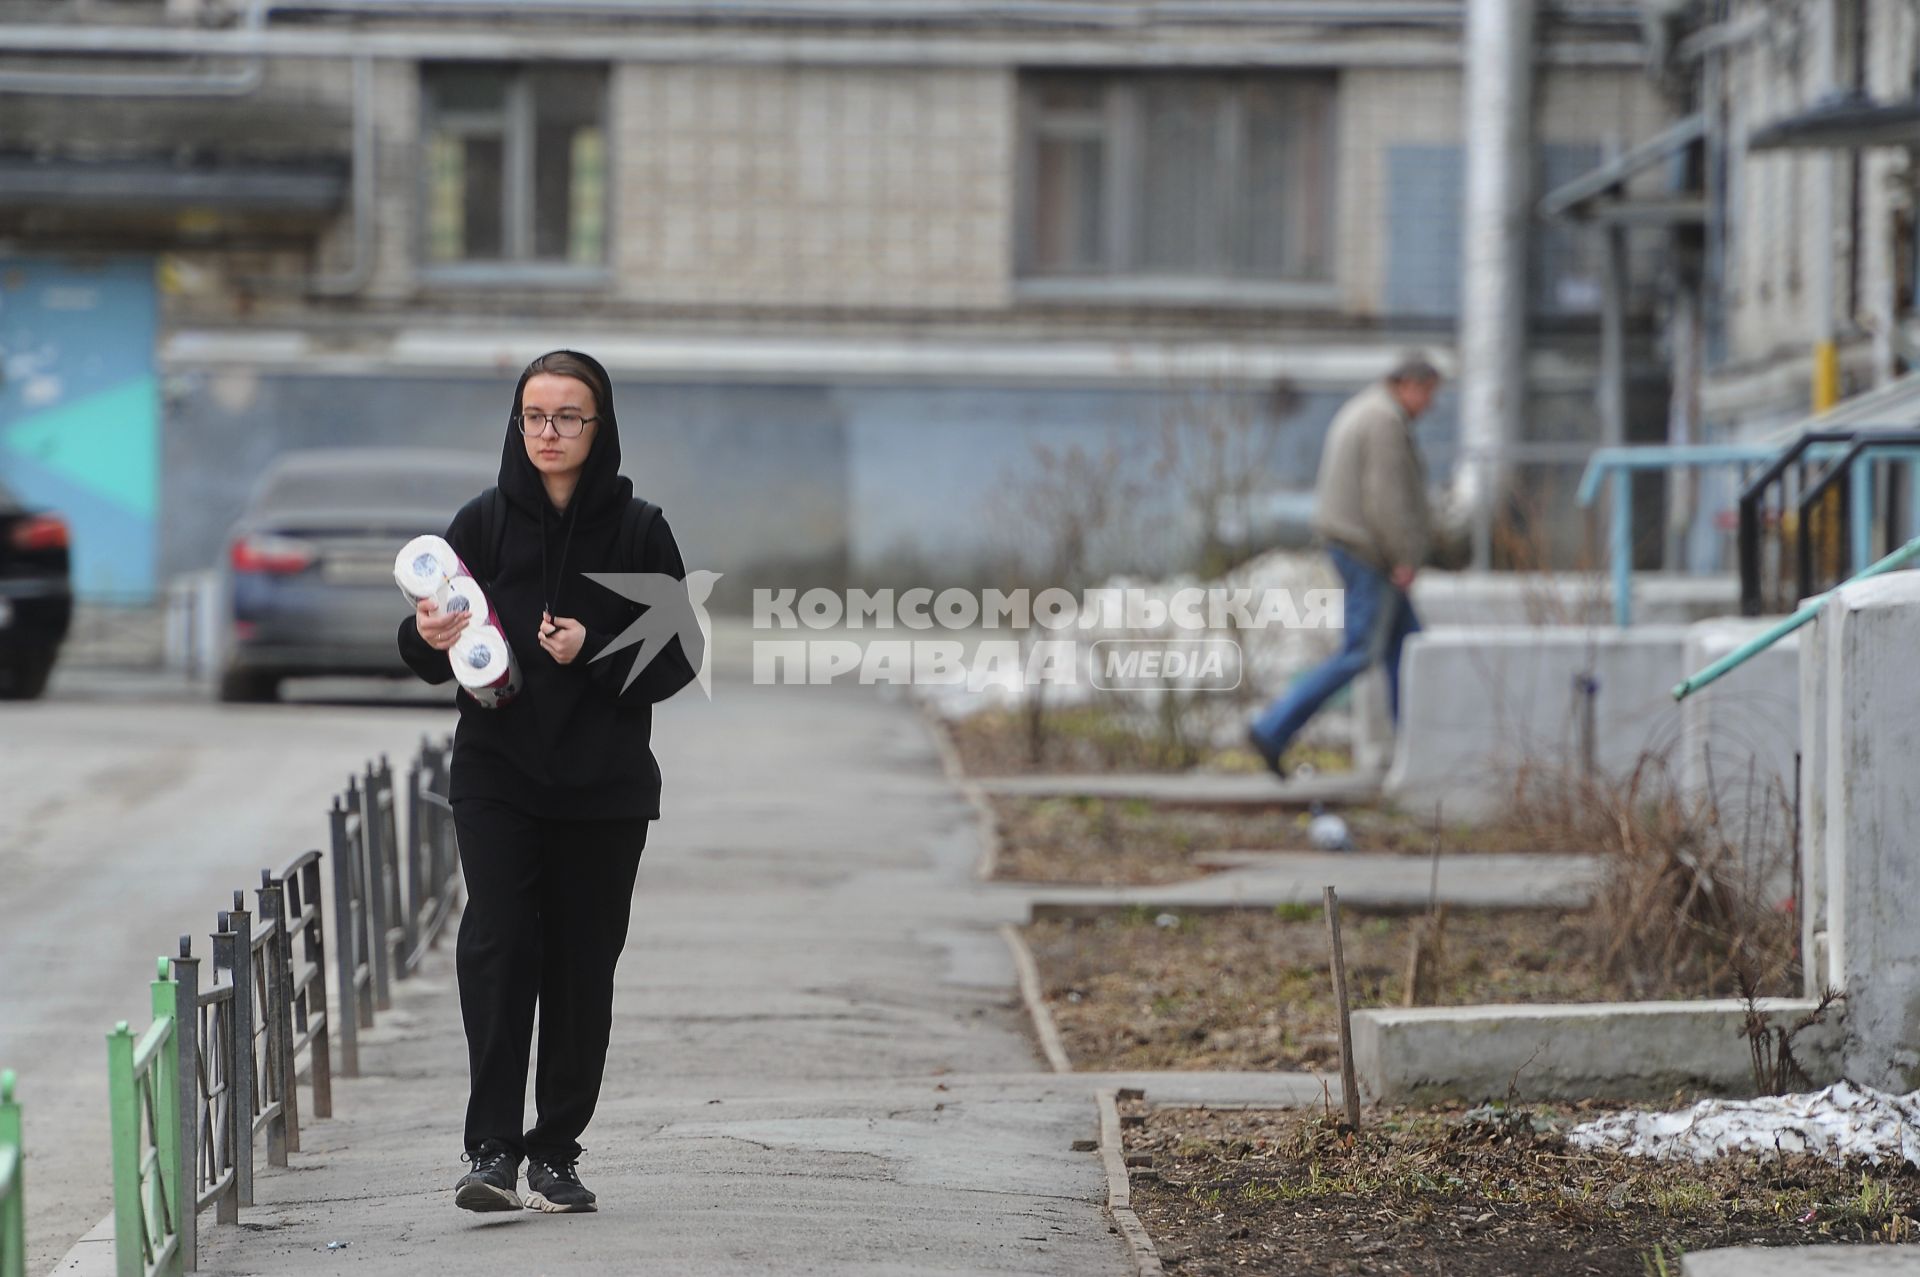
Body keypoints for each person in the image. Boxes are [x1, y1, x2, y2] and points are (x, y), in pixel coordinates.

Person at [398, 350, 698, 1215]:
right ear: (516, 423)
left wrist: (592, 650)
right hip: (497, 774)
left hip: (604, 785)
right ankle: (490, 1148)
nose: (549, 432)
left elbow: (680, 657)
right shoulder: (483, 523)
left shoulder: (641, 530)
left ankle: (556, 1149)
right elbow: (421, 649)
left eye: (569, 416)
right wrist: (429, 626)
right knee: (497, 945)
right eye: (535, 415)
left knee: (580, 959)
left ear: (599, 426)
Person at [1247, 354, 1440, 780]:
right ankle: (1272, 727)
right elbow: (1386, 499)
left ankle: (1416, 752)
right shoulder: (1384, 422)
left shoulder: (1368, 410)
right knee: (1360, 654)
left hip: (1361, 548)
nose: (1429, 405)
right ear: (1409, 384)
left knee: (1407, 650)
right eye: (1428, 393)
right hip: (1370, 553)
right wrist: (1404, 556)